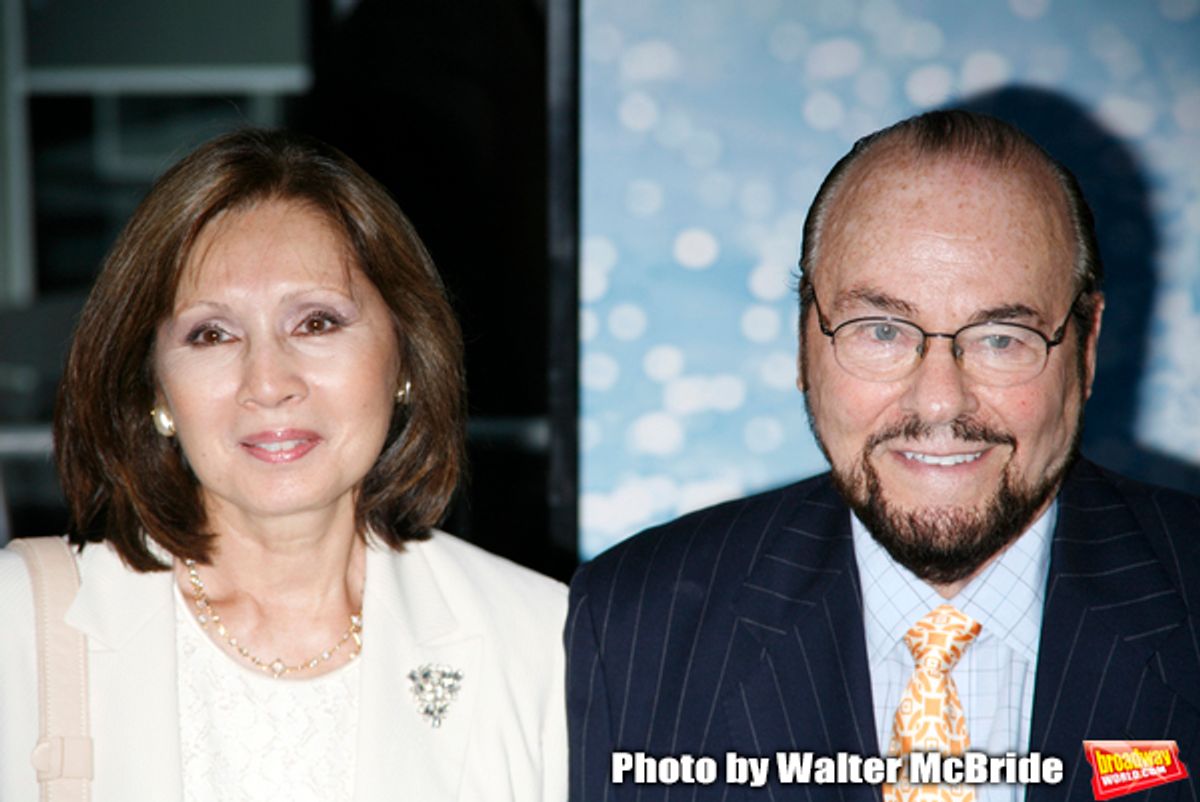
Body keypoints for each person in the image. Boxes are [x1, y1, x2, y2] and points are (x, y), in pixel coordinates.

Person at [566, 110, 1199, 801]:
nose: (937, 403)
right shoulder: (637, 626)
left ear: (1086, 347)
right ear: (805, 340)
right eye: (882, 330)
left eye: (1000, 338)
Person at [0, 129, 567, 802]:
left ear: (407, 359)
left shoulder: (539, 644)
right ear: (155, 388)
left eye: (317, 323)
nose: (267, 382)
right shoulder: (19, 630)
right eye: (212, 334)